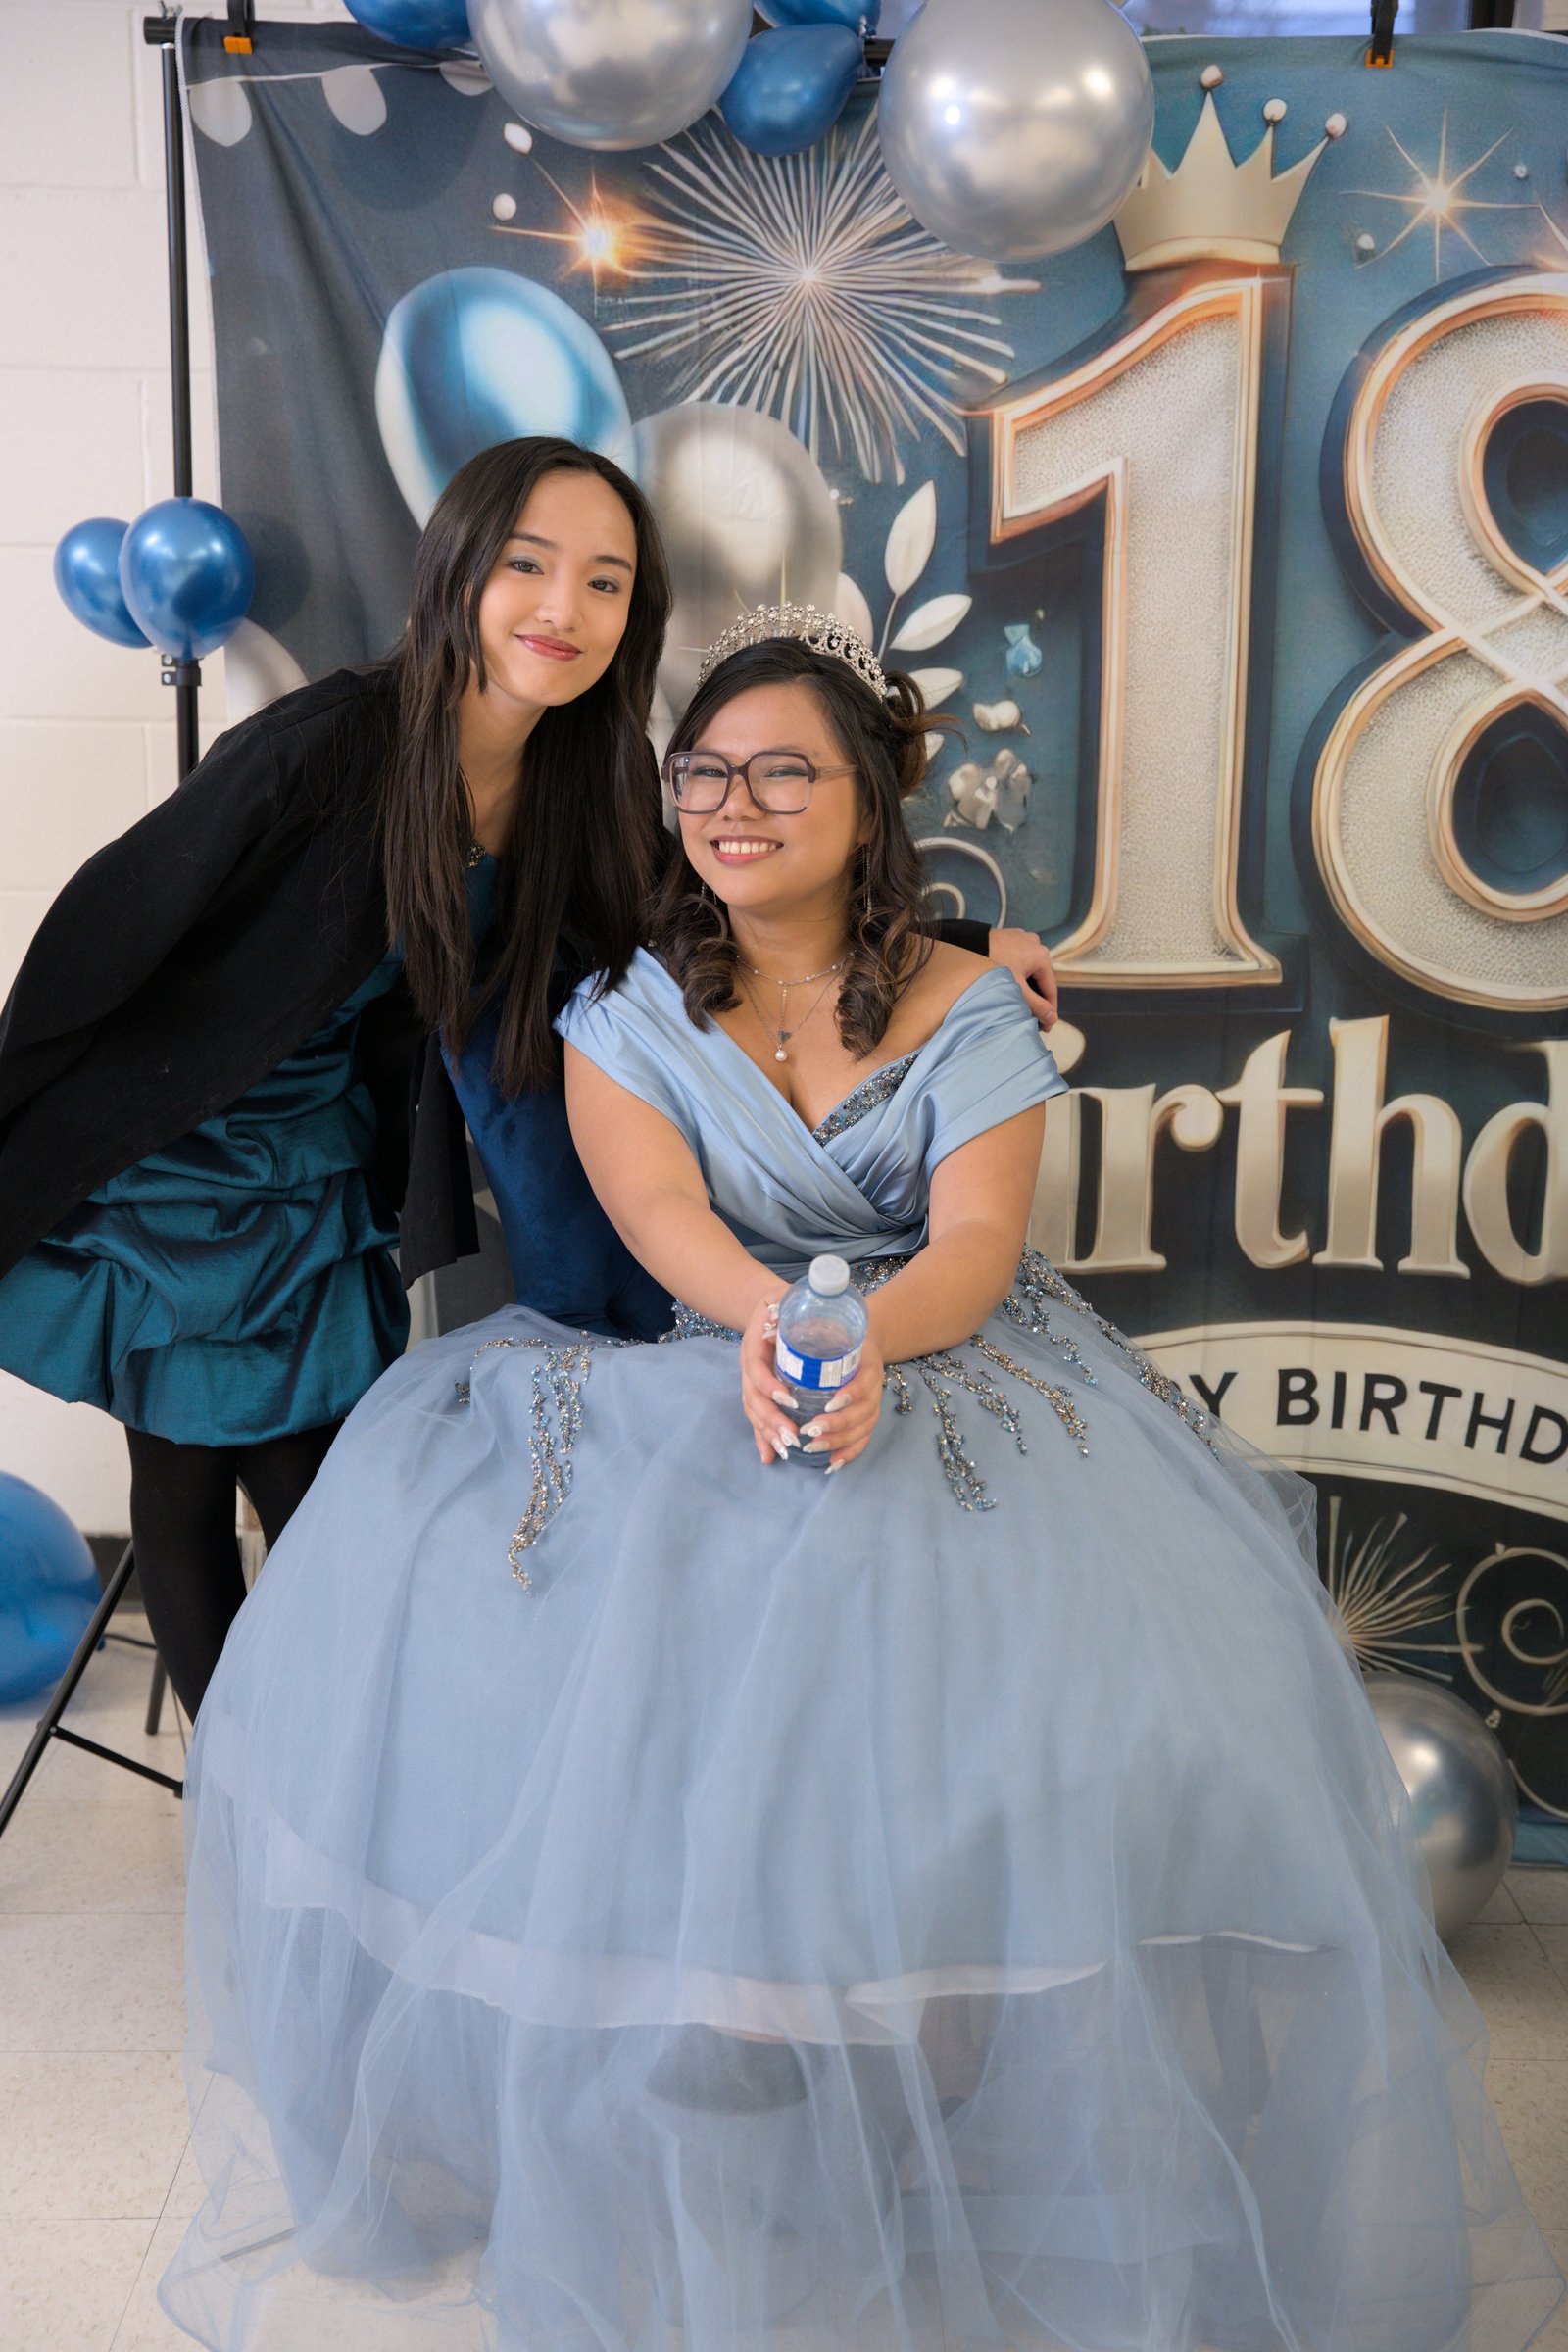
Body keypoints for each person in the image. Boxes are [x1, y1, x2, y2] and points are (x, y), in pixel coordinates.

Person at [163, 614, 1559, 2352]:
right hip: (710, 1359)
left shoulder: (971, 1004)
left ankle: (938, 2080)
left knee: (958, 1700)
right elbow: (660, 1216)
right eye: (705, 773)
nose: (734, 805)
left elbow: (977, 1240)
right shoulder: (624, 1010)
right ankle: (733, 2080)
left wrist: (863, 1340)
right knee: (670, 1693)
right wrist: (779, 1332)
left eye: (784, 773)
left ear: (866, 805)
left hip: (953, 1360)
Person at [0, 437, 1054, 1720]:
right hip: (181, 1158)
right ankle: (235, 1787)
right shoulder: (324, 747)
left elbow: (701, 915)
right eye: (527, 565)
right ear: (457, 571)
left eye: (606, 582)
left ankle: (319, 1764)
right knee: (183, 1478)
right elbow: (107, 925)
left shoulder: (579, 772)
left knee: (322, 1482)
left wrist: (955, 945)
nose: (565, 608)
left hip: (318, 1162)